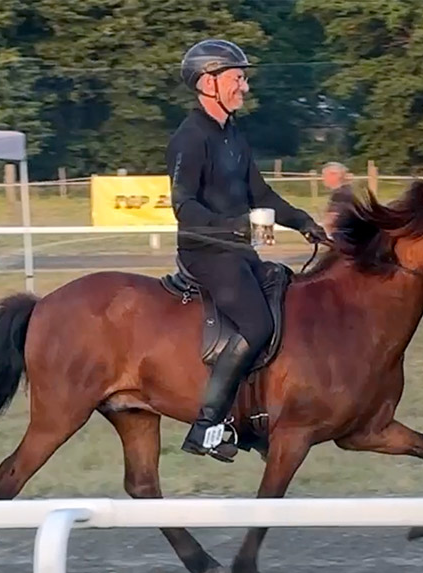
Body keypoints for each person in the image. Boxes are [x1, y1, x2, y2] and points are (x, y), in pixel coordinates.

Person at [167, 39, 329, 463]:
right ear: (209, 82)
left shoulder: (234, 134)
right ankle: (205, 427)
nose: (245, 86)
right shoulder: (189, 138)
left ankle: (255, 417)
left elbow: (261, 192)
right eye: (238, 78)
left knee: (285, 300)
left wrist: (302, 222)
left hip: (241, 251)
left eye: (243, 78)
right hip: (207, 253)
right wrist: (236, 226)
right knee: (257, 325)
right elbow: (183, 207)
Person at [320, 162, 355, 234]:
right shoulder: (350, 190)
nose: (322, 178)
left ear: (334, 175)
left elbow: (331, 220)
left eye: (324, 175)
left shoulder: (340, 194)